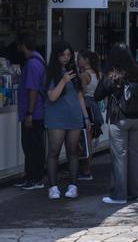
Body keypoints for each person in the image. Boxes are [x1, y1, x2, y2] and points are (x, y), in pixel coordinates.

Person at [94, 43, 138, 204]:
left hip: (119, 118)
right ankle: (137, 192)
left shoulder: (112, 74)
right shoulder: (137, 72)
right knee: (136, 155)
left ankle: (119, 195)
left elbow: (97, 95)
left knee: (119, 157)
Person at [45, 42, 90, 200]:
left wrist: (85, 116)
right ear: (56, 55)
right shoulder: (50, 72)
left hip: (74, 117)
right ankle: (53, 186)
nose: (66, 58)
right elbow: (51, 97)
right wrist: (63, 80)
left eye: (69, 55)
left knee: (73, 152)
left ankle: (73, 185)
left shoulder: (74, 71)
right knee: (54, 151)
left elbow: (79, 96)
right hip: (56, 117)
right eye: (63, 54)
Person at [15, 33, 46, 190]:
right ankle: (30, 177)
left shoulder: (32, 64)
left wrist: (29, 113)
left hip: (34, 114)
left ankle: (35, 179)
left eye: (19, 45)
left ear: (23, 46)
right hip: (37, 112)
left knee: (31, 146)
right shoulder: (38, 59)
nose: (17, 48)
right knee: (33, 146)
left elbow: (32, 90)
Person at [77, 50, 102, 181]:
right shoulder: (97, 73)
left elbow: (80, 93)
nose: (77, 60)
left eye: (79, 58)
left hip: (85, 107)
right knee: (89, 140)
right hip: (94, 107)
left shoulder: (84, 75)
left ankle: (86, 170)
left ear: (86, 60)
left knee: (84, 141)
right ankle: (86, 169)